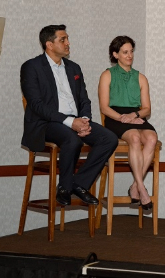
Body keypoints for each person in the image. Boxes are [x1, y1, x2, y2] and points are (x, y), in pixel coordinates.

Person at [20, 24, 118, 206]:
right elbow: (36, 105)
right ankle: (64, 187)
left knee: (109, 139)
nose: (68, 43)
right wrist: (70, 122)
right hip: (47, 123)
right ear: (49, 44)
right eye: (62, 39)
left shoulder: (74, 68)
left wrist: (85, 120)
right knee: (72, 140)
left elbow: (84, 100)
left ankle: (78, 184)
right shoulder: (31, 67)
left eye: (67, 39)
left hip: (76, 120)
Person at [98, 36, 158, 209]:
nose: (130, 55)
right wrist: (121, 117)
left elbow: (147, 108)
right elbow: (104, 107)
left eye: (131, 51)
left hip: (135, 115)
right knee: (134, 137)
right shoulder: (107, 75)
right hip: (115, 117)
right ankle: (142, 189)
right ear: (115, 54)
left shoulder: (141, 78)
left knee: (152, 138)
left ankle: (134, 186)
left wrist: (134, 114)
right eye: (125, 52)